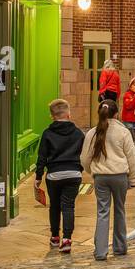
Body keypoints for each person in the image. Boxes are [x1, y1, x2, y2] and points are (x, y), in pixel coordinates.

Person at [81, 98, 135, 261]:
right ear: (117, 114)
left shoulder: (92, 133)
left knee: (102, 212)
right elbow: (131, 157)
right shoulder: (123, 132)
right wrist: (132, 178)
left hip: (101, 176)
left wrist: (91, 171)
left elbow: (85, 158)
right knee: (120, 210)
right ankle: (120, 248)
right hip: (120, 175)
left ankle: (100, 251)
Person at [33, 98, 88, 255]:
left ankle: (55, 236)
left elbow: (41, 157)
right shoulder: (78, 133)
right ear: (69, 114)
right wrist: (80, 168)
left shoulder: (48, 133)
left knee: (55, 206)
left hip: (54, 175)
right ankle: (67, 240)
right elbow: (84, 155)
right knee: (69, 206)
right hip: (73, 174)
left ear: (52, 116)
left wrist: (38, 176)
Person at [122, 76, 135, 141]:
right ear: (130, 86)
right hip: (128, 119)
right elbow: (129, 106)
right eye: (134, 85)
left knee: (133, 137)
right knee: (130, 137)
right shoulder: (127, 95)